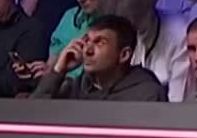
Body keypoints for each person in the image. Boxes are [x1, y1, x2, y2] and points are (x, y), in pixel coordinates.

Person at [30, 14, 168, 101]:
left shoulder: (146, 94)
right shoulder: (77, 87)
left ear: (124, 55)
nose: (88, 50)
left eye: (100, 42)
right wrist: (59, 71)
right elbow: (34, 116)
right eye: (87, 41)